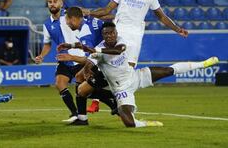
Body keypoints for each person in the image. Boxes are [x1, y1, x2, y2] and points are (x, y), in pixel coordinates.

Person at [57, 21, 219, 128]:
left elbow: (118, 50)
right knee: (129, 123)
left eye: (112, 33)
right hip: (121, 90)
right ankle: (146, 123)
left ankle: (203, 63)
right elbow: (90, 60)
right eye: (106, 34)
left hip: (136, 77)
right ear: (104, 35)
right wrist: (81, 61)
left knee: (168, 71)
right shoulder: (98, 50)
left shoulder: (119, 42)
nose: (110, 36)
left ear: (116, 32)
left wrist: (93, 50)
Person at [82, 0, 188, 69]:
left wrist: (177, 29)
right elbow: (107, 10)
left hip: (135, 35)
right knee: (101, 62)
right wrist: (89, 13)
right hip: (117, 31)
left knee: (129, 67)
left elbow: (162, 17)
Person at [57, 6, 117, 122]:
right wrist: (71, 46)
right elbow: (89, 47)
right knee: (79, 76)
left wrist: (71, 57)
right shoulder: (89, 19)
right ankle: (82, 117)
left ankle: (112, 98)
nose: (68, 24)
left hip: (108, 62)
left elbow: (89, 58)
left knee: (82, 90)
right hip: (110, 55)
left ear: (73, 19)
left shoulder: (85, 33)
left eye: (67, 21)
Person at [34, 0, 86, 124]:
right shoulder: (47, 24)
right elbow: (47, 44)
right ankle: (75, 114)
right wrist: (41, 56)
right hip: (64, 59)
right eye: (50, 2)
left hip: (79, 57)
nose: (52, 4)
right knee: (59, 83)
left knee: (87, 90)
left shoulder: (69, 17)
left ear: (61, 3)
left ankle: (112, 105)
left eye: (55, 1)